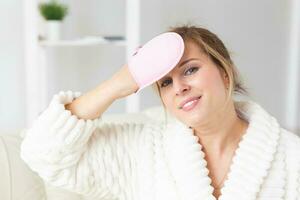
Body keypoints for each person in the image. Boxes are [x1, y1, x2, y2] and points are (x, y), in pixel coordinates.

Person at [20, 25, 300, 200]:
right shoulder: (142, 151)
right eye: (165, 82)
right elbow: (41, 153)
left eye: (190, 69)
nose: (179, 87)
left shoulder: (291, 156)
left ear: (225, 72)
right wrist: (118, 84)